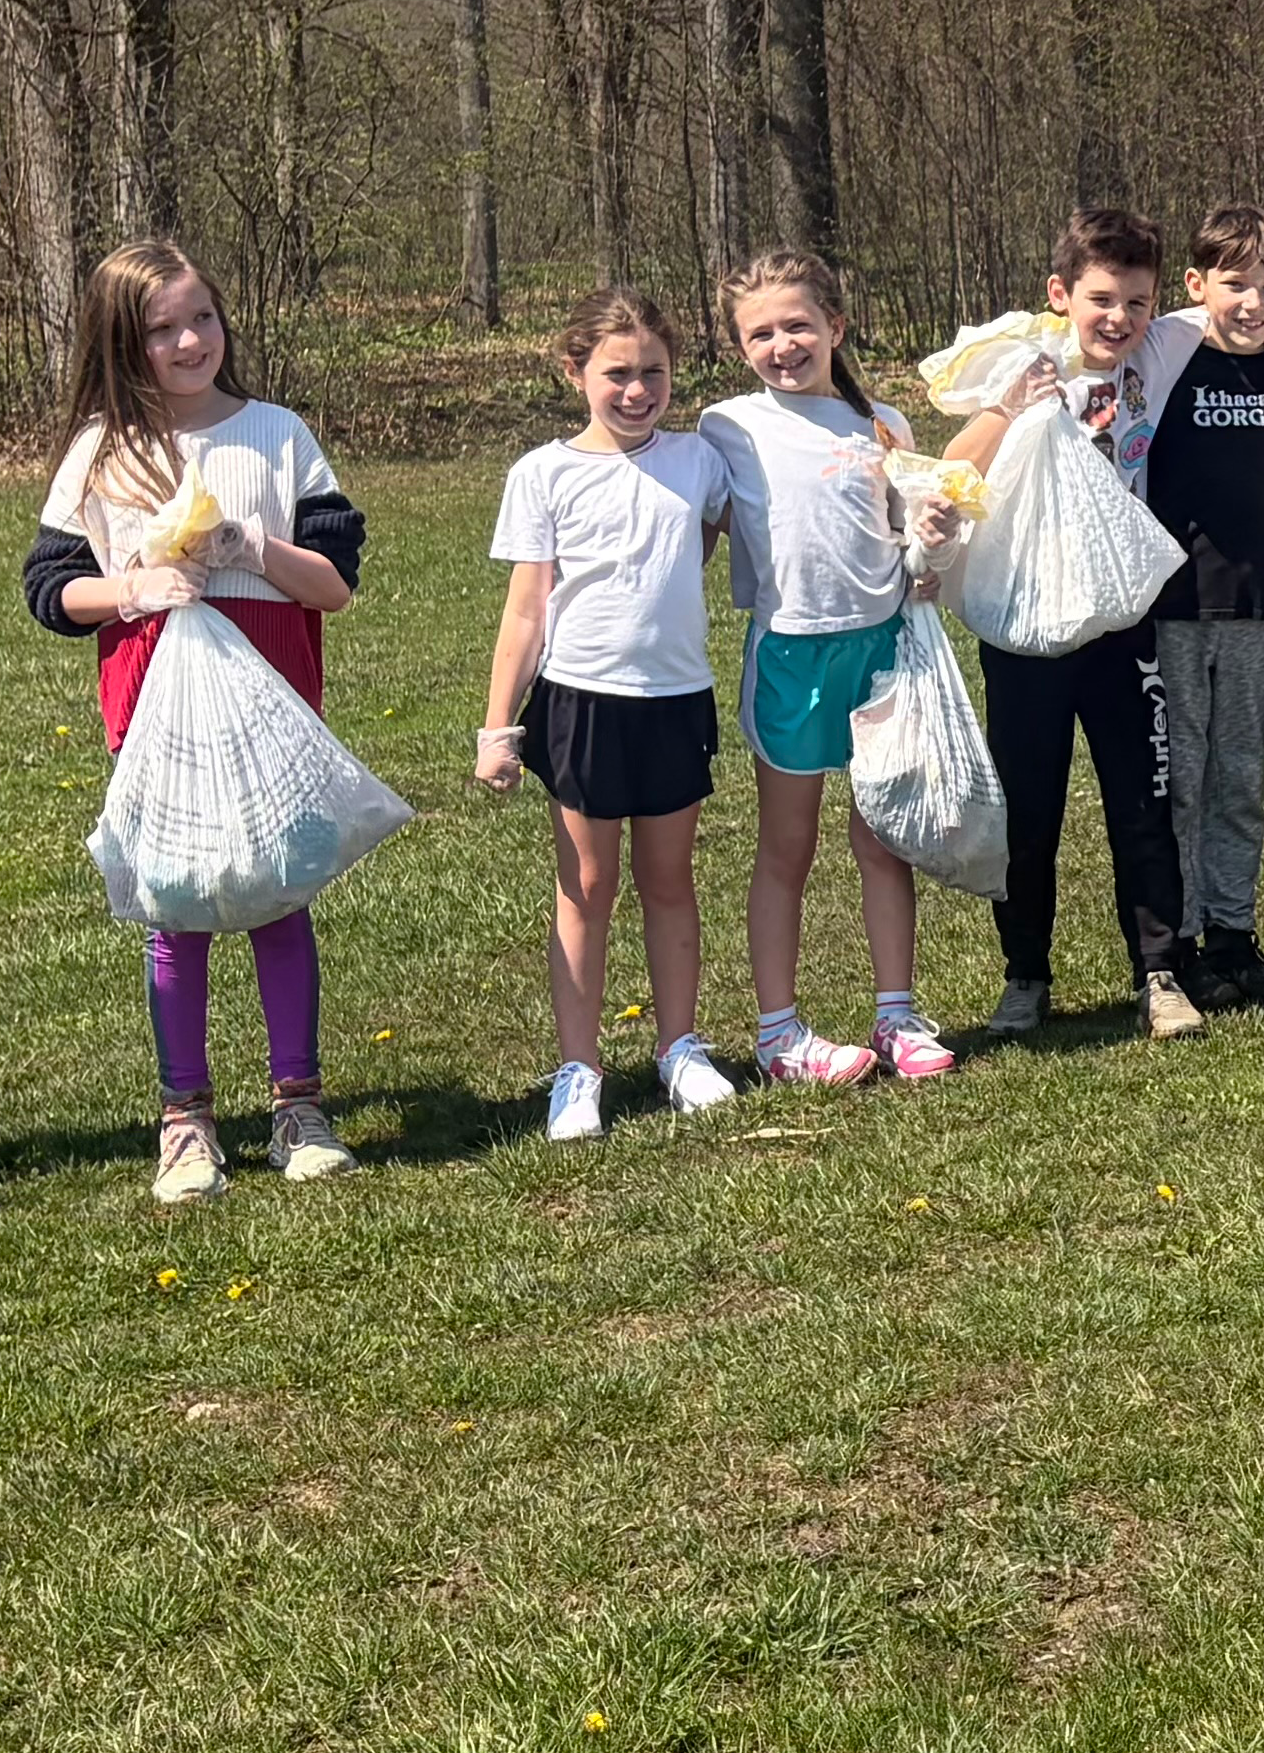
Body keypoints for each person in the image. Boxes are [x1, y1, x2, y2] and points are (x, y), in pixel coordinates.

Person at [22, 240, 371, 1201]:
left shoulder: (278, 432)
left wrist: (249, 543)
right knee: (177, 904)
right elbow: (50, 590)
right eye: (161, 328)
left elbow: (334, 583)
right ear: (121, 342)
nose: (188, 341)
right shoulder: (102, 450)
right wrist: (132, 585)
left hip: (273, 696)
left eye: (201, 318)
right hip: (157, 701)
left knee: (279, 892)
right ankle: (185, 1118)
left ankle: (297, 1103)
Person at [938, 206, 1216, 1042]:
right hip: (1027, 622)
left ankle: (1160, 972)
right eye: (1100, 299)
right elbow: (952, 470)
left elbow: (1245, 310)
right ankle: (1025, 976)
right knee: (1030, 805)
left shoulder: (1158, 352)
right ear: (1061, 294)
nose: (1119, 318)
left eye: (1137, 300)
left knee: (1144, 794)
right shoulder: (1029, 364)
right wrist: (1008, 405)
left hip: (1123, 618)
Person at [474, 289, 745, 1142]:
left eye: (653, 373)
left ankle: (680, 1050)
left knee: (670, 882)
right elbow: (525, 610)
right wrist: (497, 727)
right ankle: (578, 1070)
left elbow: (704, 538)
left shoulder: (700, 459)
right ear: (574, 372)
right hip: (581, 703)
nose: (636, 391)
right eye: (616, 374)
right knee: (586, 888)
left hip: (675, 700)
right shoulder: (543, 473)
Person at [696, 247, 955, 1088]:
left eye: (799, 324)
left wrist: (931, 543)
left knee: (883, 840)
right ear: (741, 346)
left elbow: (914, 552)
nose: (783, 344)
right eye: (760, 332)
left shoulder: (882, 425)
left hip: (881, 652)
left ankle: (897, 1015)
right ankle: (778, 1034)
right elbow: (692, 528)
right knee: (788, 845)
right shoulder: (726, 427)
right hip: (790, 658)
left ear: (835, 327)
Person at [1145, 206, 1264, 1015]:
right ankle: (1177, 946)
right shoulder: (1168, 358)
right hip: (1176, 607)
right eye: (1233, 284)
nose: (1252, 302)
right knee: (1183, 779)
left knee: (1240, 777)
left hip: (1260, 606)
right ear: (1196, 286)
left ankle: (1231, 932)